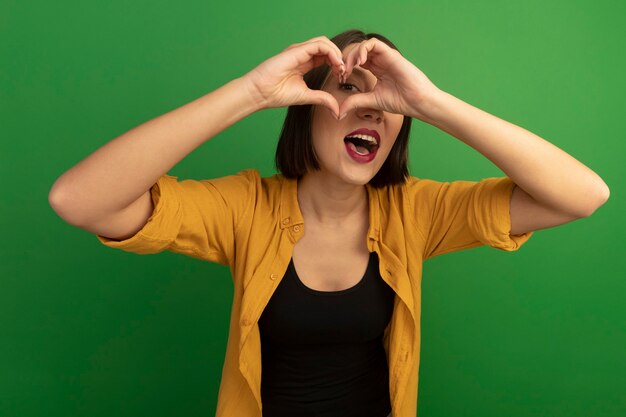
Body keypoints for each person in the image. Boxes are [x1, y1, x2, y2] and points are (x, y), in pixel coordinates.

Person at [48, 28, 610, 417]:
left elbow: (583, 194)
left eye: (389, 104)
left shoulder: (416, 212)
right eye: (349, 90)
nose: (372, 110)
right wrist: (250, 93)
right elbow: (80, 201)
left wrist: (432, 102)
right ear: (307, 108)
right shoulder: (246, 208)